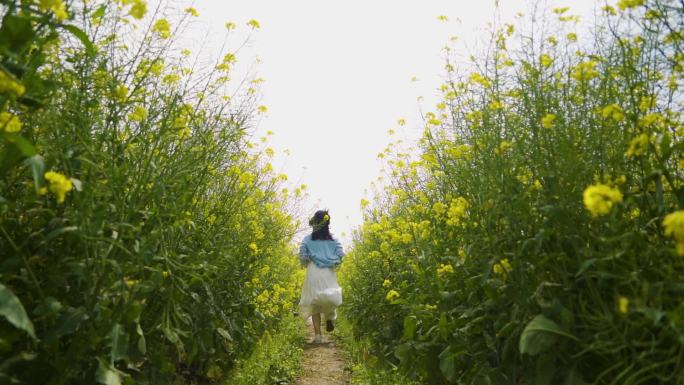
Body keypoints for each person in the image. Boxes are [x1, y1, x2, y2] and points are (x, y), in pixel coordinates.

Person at [298, 210, 345, 344]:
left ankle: (318, 335)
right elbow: (341, 254)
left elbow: (302, 255)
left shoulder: (307, 239)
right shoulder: (334, 240)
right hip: (328, 272)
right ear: (327, 224)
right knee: (330, 296)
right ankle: (330, 317)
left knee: (314, 304)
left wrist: (306, 261)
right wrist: (332, 260)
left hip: (314, 270)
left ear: (314, 223)